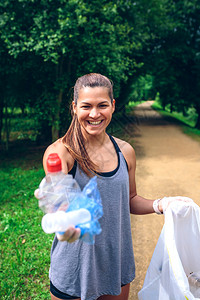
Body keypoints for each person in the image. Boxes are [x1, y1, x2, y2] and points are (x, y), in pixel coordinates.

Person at [35, 73, 193, 300]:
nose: (94, 114)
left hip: (115, 265)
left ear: (113, 106)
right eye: (86, 106)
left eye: (102, 105)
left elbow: (130, 199)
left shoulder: (125, 151)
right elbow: (58, 200)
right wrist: (63, 218)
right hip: (74, 270)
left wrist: (162, 204)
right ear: (74, 107)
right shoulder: (61, 152)